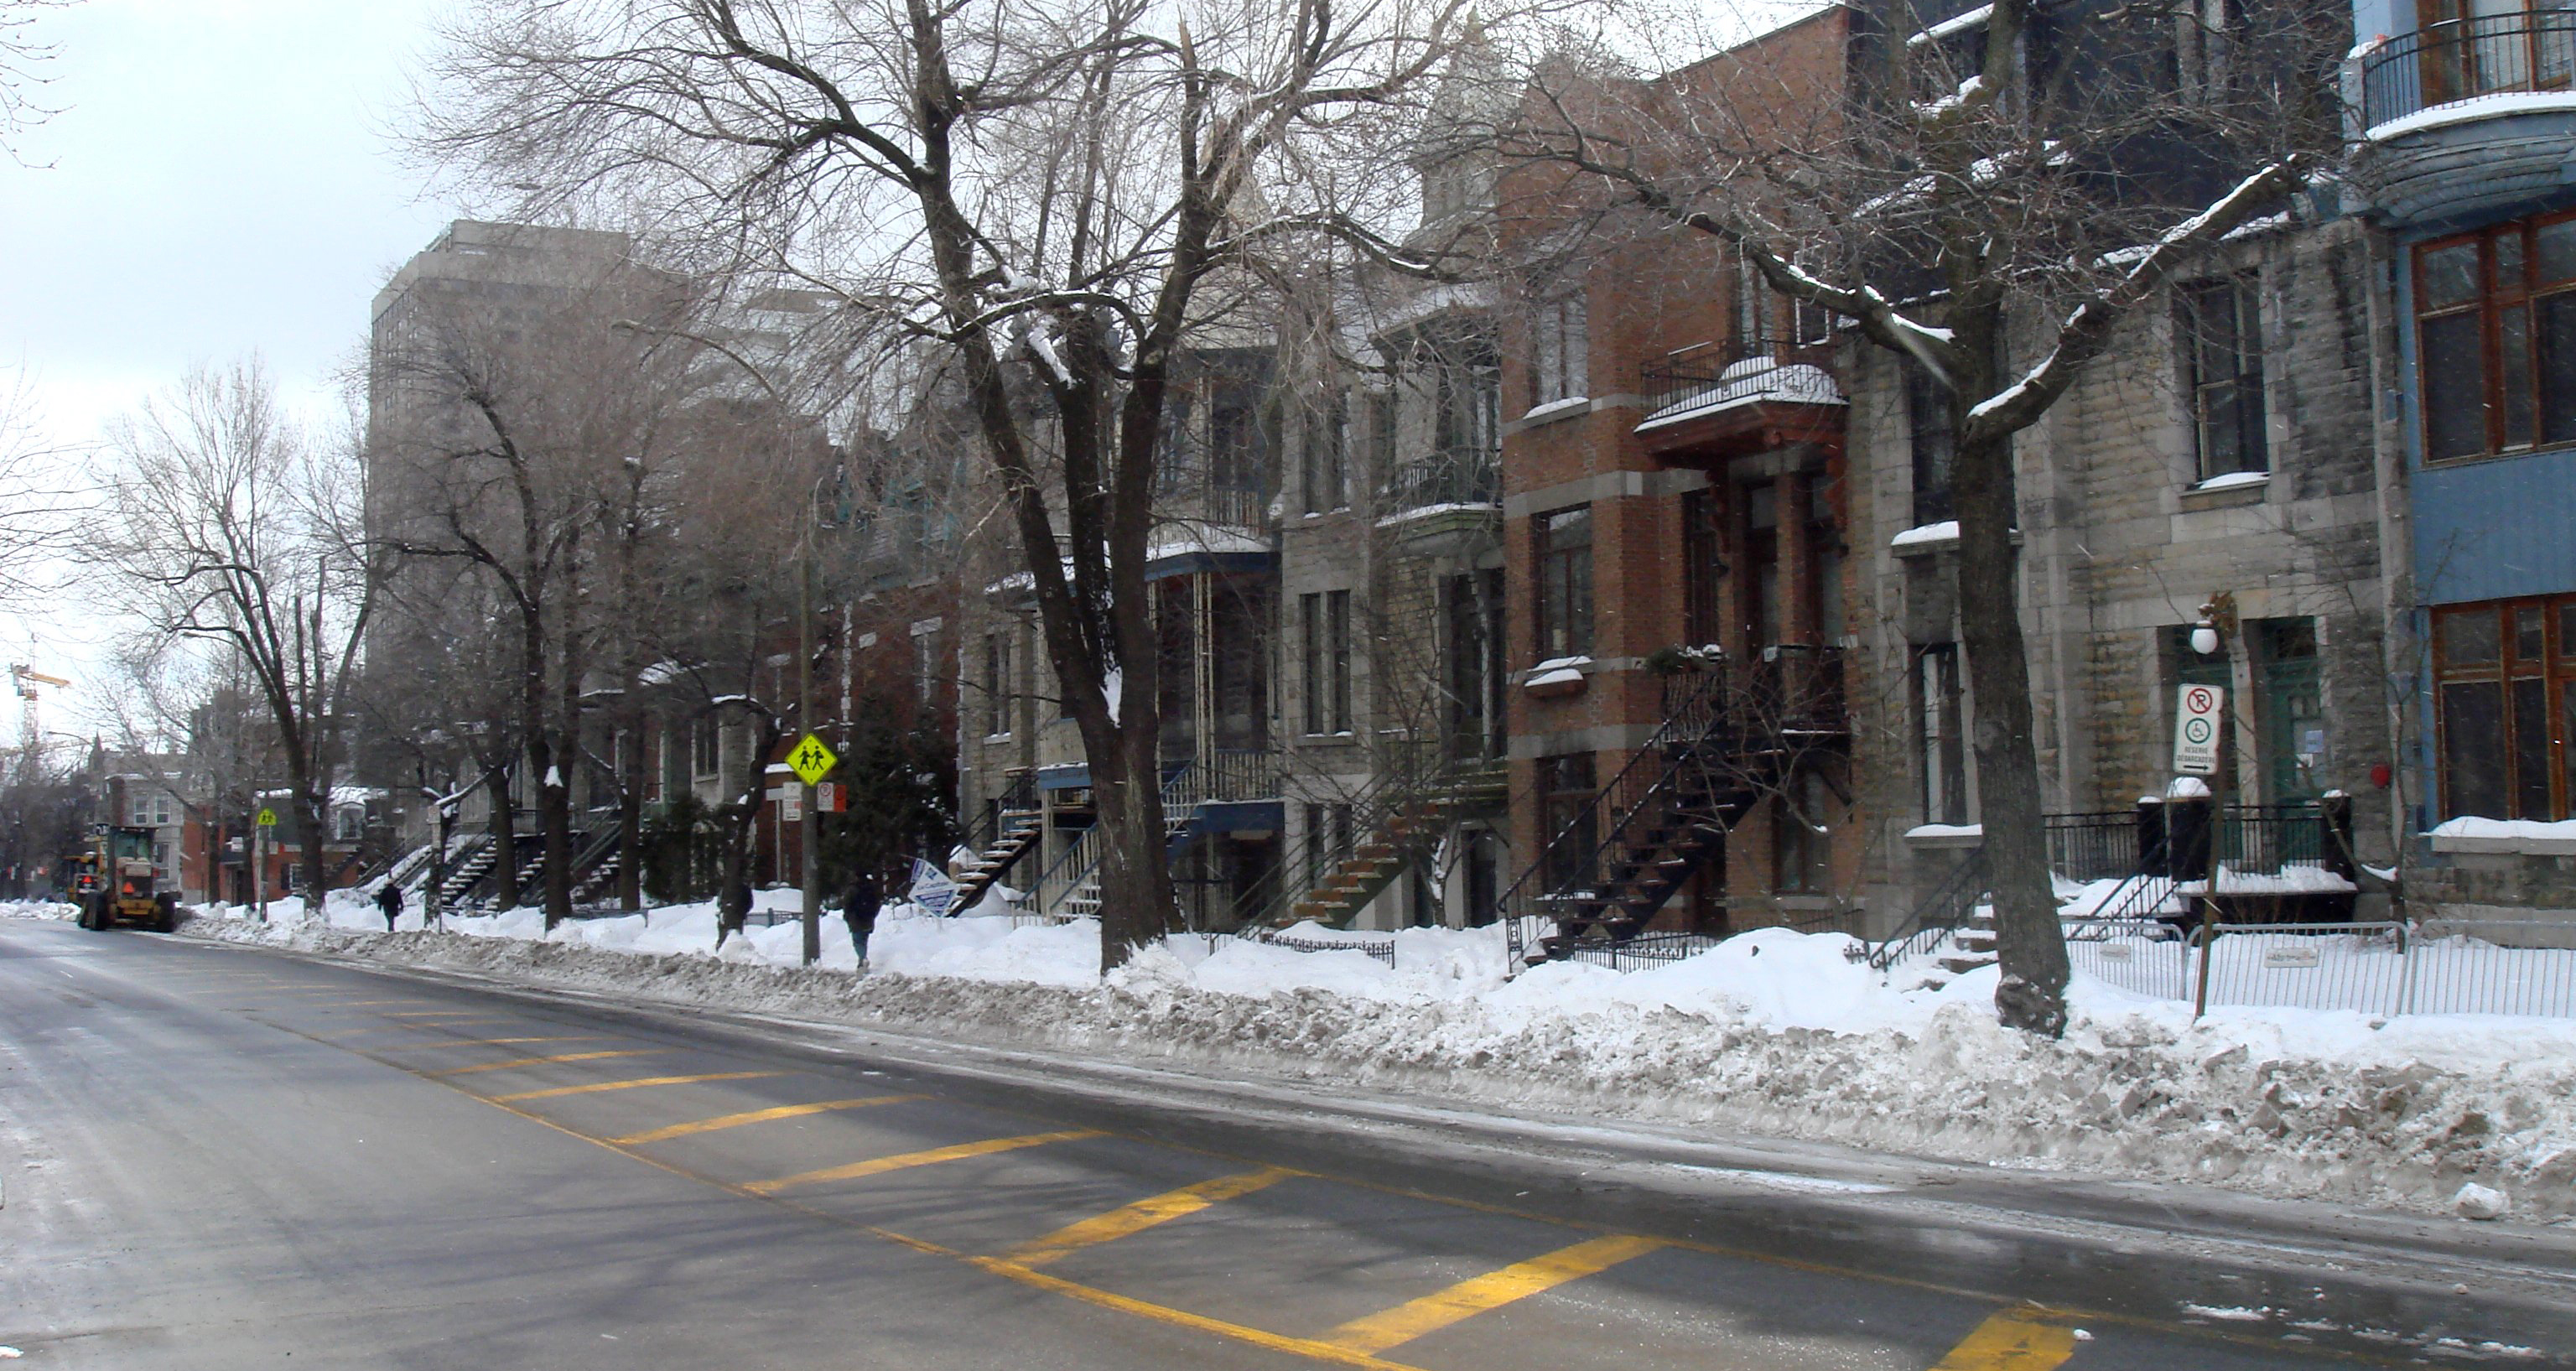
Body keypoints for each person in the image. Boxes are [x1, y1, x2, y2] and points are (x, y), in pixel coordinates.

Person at [843, 868, 881, 963]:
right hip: (868, 918)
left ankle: (862, 958)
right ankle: (863, 958)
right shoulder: (871, 887)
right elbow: (877, 902)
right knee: (864, 939)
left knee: (857, 941)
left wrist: (847, 916)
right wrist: (873, 914)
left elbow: (847, 904)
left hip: (856, 919)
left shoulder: (852, 889)